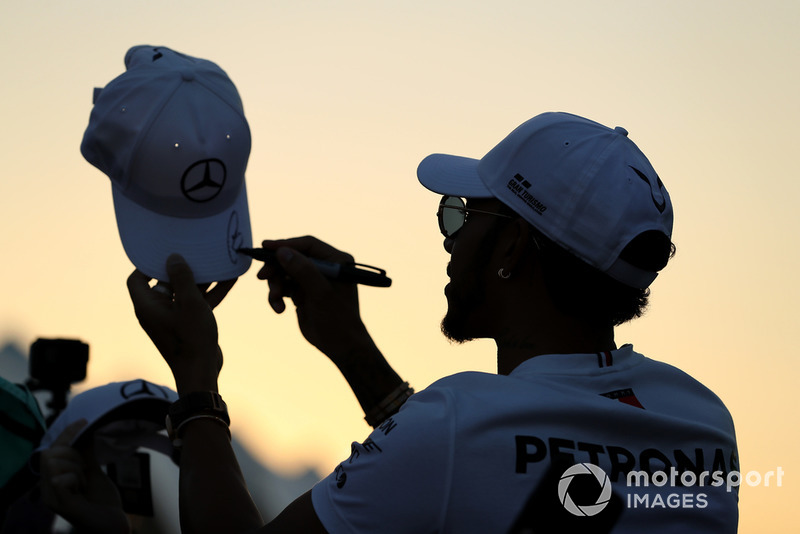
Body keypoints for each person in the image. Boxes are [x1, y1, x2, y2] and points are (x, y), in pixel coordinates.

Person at [126, 112, 739, 533]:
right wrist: (350, 347)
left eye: (464, 214)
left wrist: (196, 381)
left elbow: (460, 457)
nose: (452, 240)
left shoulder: (456, 422)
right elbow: (480, 469)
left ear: (512, 250)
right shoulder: (704, 426)